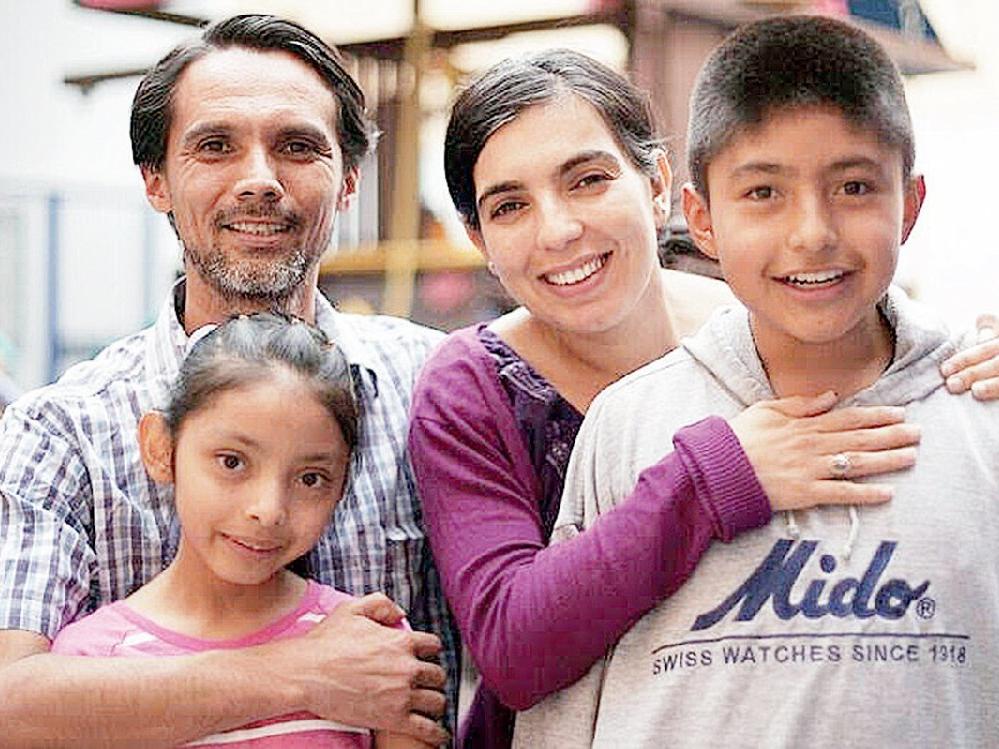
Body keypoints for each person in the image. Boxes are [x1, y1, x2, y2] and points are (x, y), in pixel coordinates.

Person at [408, 48, 999, 748]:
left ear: (659, 185)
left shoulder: (786, 311)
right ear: (477, 238)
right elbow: (513, 647)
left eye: (589, 180)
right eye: (510, 206)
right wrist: (717, 476)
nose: (558, 229)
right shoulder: (474, 387)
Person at [0, 15, 450, 747]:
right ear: (155, 181)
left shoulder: (436, 388)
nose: (259, 181)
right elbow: (8, 703)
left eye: (297, 146)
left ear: (347, 182)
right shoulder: (64, 431)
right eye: (215, 146)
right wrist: (300, 673)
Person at [52, 312, 429, 748]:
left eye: (310, 479)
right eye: (232, 462)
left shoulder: (371, 649)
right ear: (160, 448)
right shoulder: (90, 661)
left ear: (342, 484)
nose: (268, 510)